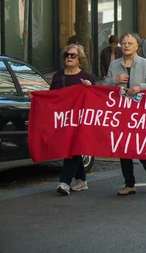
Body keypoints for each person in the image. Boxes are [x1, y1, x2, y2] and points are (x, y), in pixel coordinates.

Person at [104, 33, 146, 195]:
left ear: (137, 46)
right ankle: (129, 183)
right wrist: (115, 80)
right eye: (124, 43)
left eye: (130, 43)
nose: (126, 45)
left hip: (139, 111)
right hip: (121, 111)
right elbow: (105, 86)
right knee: (124, 147)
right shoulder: (114, 64)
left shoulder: (145, 64)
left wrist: (140, 86)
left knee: (139, 145)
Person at [53, 44, 95, 195]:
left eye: (73, 55)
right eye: (67, 55)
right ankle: (81, 180)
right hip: (63, 120)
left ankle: (64, 182)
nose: (69, 58)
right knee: (74, 149)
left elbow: (95, 101)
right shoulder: (58, 76)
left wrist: (89, 88)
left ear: (79, 59)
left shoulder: (86, 77)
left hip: (80, 121)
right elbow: (51, 97)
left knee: (71, 148)